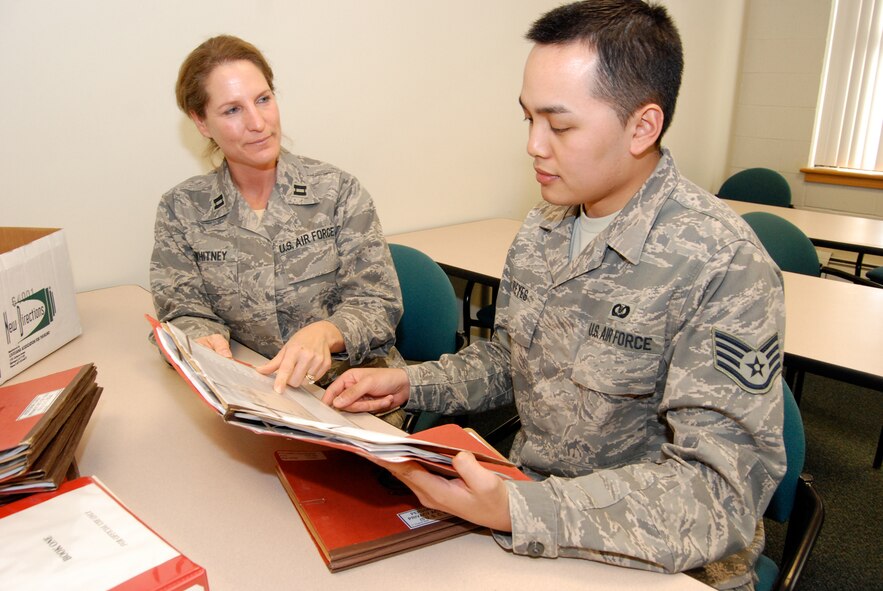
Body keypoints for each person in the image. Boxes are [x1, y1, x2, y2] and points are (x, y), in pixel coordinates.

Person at [323, 1, 786, 589]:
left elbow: (718, 495)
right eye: (528, 120)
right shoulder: (546, 227)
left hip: (661, 559)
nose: (534, 146)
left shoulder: (722, 263)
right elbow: (513, 361)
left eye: (560, 125)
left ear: (643, 127)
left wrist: (521, 511)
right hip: (527, 514)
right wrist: (413, 382)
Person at [150, 35, 405, 422]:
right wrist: (201, 335)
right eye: (233, 110)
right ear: (201, 122)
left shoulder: (337, 192)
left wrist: (327, 331)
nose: (258, 123)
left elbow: (379, 303)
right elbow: (183, 307)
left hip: (349, 394)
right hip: (252, 394)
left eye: (263, 99)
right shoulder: (181, 209)